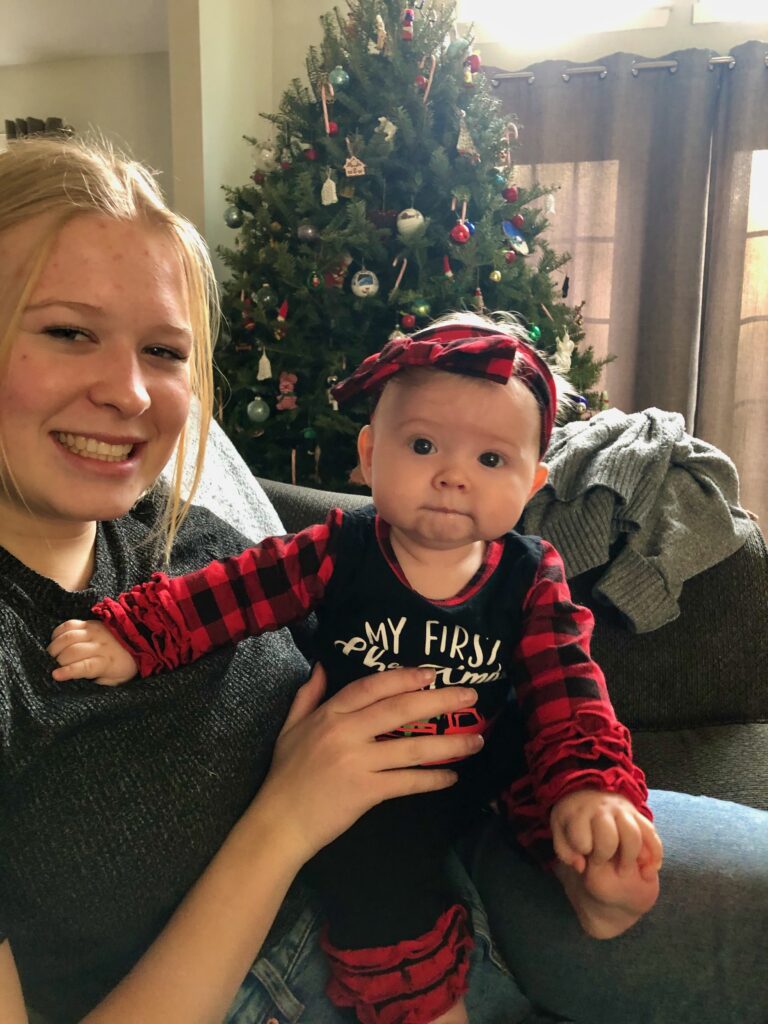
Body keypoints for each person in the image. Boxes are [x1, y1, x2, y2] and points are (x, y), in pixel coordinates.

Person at [1, 137, 767, 1024]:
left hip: (476, 844)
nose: (131, 393)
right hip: (314, 964)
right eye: (68, 331)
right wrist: (285, 823)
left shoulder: (186, 536)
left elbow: (555, 682)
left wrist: (579, 818)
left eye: (166, 351)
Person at [49, 315, 662, 1024]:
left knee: (551, 767)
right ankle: (421, 1004)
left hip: (488, 763)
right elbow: (234, 591)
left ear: (533, 482)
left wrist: (592, 790)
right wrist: (138, 638)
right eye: (424, 445)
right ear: (370, 455)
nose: (453, 476)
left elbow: (571, 691)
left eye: (492, 461)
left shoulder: (531, 575)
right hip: (374, 787)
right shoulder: (340, 549)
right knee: (371, 870)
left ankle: (587, 876)